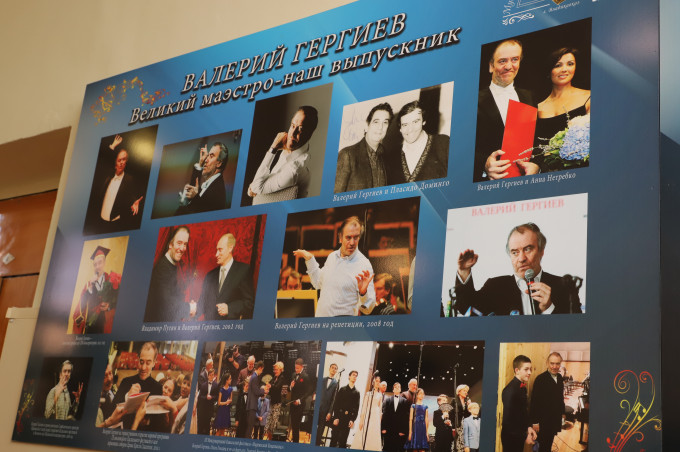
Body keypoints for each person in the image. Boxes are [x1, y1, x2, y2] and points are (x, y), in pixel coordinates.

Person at [455, 222, 581, 315]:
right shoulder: (495, 286)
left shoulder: (564, 287)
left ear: (541, 251)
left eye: (527, 249)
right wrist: (464, 271)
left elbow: (578, 329)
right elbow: (466, 308)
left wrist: (548, 308)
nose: (521, 258)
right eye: (515, 252)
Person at [474, 40, 538, 181]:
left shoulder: (530, 97)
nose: (509, 66)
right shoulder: (472, 100)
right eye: (502, 61)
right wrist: (483, 164)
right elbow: (461, 148)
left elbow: (538, 140)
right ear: (491, 66)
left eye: (515, 59)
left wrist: (537, 167)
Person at [294, 216, 376, 317]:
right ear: (340, 237)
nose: (352, 243)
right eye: (348, 237)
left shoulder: (364, 264)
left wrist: (363, 293)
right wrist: (310, 259)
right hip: (321, 323)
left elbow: (368, 309)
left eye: (356, 237)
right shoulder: (332, 257)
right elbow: (318, 283)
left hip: (343, 325)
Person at [533, 47, 591, 170]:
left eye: (570, 64)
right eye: (558, 65)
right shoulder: (537, 107)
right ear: (549, 70)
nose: (564, 69)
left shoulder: (589, 97)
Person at [247, 106, 318, 204]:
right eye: (292, 126)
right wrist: (255, 185)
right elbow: (262, 183)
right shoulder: (291, 149)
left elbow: (257, 187)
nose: (292, 133)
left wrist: (273, 148)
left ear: (309, 133)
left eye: (300, 129)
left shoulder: (296, 169)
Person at [192, 233, 255, 321]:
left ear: (230, 248)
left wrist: (230, 308)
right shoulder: (210, 276)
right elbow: (202, 303)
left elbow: (249, 303)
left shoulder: (243, 270)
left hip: (230, 327)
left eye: (220, 250)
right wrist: (193, 308)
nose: (216, 254)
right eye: (216, 250)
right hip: (210, 327)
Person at [386, 100, 449, 185]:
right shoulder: (391, 158)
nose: (410, 129)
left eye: (415, 122)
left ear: (423, 121)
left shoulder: (443, 143)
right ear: (400, 128)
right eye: (405, 125)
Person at [335, 103, 393, 193]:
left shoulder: (387, 157)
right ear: (366, 126)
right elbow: (335, 196)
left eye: (385, 123)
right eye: (376, 122)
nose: (380, 127)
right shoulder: (347, 155)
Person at [93, 134, 144, 232]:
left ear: (126, 162)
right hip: (99, 221)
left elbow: (131, 195)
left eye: (124, 159)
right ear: (115, 162)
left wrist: (134, 202)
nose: (121, 162)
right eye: (119, 160)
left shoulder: (129, 179)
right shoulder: (108, 175)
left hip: (115, 224)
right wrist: (113, 146)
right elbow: (103, 160)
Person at [112, 342, 166, 430]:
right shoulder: (126, 382)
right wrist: (127, 396)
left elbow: (159, 424)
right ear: (138, 360)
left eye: (148, 363)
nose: (143, 368)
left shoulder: (158, 388)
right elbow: (111, 411)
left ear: (154, 363)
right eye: (141, 362)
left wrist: (147, 421)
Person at [144, 226, 190, 322]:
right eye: (179, 243)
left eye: (185, 244)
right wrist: (189, 308)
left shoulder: (171, 265)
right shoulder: (162, 268)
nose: (182, 248)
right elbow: (167, 304)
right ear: (170, 244)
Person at [72, 246, 120, 334]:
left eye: (100, 263)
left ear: (104, 262)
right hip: (90, 326)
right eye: (95, 264)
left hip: (105, 324)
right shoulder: (88, 284)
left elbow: (118, 302)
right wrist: (89, 290)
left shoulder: (111, 281)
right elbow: (81, 306)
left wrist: (109, 306)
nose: (97, 266)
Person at [176, 142, 229, 215]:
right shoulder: (212, 183)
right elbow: (194, 194)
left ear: (219, 163)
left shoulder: (218, 191)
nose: (206, 160)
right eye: (207, 156)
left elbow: (202, 212)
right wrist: (200, 164)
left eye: (211, 156)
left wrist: (193, 199)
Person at [530, 353, 566, 452]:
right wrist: (535, 422)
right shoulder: (540, 379)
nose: (554, 366)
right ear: (547, 363)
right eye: (552, 363)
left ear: (560, 364)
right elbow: (534, 402)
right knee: (541, 447)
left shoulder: (560, 377)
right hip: (543, 422)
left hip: (554, 420)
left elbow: (560, 398)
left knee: (549, 444)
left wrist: (563, 413)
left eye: (557, 364)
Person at [501, 355, 537, 452]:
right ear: (517, 370)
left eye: (530, 369)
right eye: (526, 369)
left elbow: (523, 412)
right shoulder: (510, 391)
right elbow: (508, 422)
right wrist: (525, 436)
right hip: (511, 438)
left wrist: (529, 427)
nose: (529, 372)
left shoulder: (522, 387)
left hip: (519, 435)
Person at [330, 370, 360, 449]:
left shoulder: (357, 393)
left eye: (356, 376)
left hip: (347, 419)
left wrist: (352, 420)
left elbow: (356, 408)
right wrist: (336, 417)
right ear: (349, 376)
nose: (354, 377)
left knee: (343, 442)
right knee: (334, 440)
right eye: (353, 375)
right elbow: (336, 404)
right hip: (339, 417)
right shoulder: (342, 389)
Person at [351, 375, 383, 450]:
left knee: (373, 435)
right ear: (373, 382)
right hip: (367, 415)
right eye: (376, 381)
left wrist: (379, 421)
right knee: (364, 433)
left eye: (379, 381)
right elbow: (364, 407)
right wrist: (361, 421)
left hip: (375, 417)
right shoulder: (368, 394)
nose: (378, 383)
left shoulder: (380, 395)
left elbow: (380, 409)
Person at [289, 358, 313, 443]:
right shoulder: (293, 375)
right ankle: (294, 441)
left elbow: (308, 391)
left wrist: (300, 400)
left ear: (302, 367)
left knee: (296, 426)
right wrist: (291, 386)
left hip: (300, 404)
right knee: (293, 425)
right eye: (295, 368)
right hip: (292, 403)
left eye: (298, 368)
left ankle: (296, 443)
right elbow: (291, 389)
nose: (296, 370)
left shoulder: (305, 376)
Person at [382, 382, 410, 452]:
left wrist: (403, 430)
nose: (397, 388)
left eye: (398, 387)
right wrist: (383, 428)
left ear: (400, 389)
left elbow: (405, 417)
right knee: (387, 448)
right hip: (389, 430)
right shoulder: (387, 400)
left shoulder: (405, 401)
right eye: (395, 387)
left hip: (399, 430)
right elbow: (385, 414)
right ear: (393, 389)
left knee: (398, 449)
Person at [316, 363, 339, 445]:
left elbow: (334, 400)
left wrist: (330, 412)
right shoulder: (322, 379)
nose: (333, 369)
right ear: (329, 369)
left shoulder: (336, 383)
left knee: (321, 429)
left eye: (335, 368)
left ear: (336, 371)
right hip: (318, 406)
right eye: (332, 367)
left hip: (326, 409)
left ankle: (316, 445)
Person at [246, 361, 270, 439]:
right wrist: (264, 391)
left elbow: (256, 390)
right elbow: (256, 391)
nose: (261, 372)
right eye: (262, 370)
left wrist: (262, 391)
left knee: (250, 428)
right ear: (260, 368)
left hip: (251, 405)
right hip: (252, 405)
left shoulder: (253, 377)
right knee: (249, 428)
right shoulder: (255, 377)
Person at [265, 361, 286, 440]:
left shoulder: (282, 378)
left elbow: (277, 388)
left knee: (273, 423)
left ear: (280, 369)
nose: (275, 371)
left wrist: (270, 386)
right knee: (268, 421)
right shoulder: (274, 378)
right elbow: (270, 386)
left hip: (277, 404)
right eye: (274, 369)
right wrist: (267, 387)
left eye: (276, 369)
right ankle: (268, 438)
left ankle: (270, 439)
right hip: (271, 402)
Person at [196, 368, 219, 435]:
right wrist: (206, 397)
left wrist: (211, 397)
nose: (211, 376)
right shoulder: (203, 385)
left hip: (210, 408)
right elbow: (200, 397)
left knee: (207, 426)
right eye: (210, 375)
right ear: (208, 376)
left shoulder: (216, 385)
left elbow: (217, 396)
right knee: (200, 425)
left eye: (213, 375)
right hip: (202, 408)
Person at [453, 384, 471, 452]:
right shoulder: (454, 401)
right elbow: (451, 414)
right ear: (459, 391)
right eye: (464, 391)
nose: (466, 392)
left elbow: (468, 414)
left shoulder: (467, 402)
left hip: (465, 424)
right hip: (458, 424)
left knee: (464, 441)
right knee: (458, 441)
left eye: (467, 391)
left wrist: (469, 406)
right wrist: (453, 426)